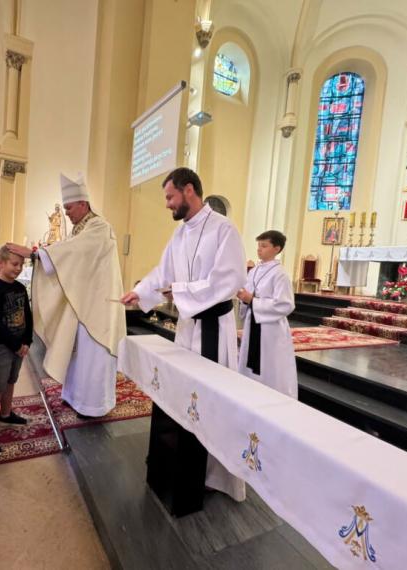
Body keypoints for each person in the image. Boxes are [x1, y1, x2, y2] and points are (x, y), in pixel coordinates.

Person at [120, 167, 247, 502]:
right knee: (185, 397)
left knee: (213, 401)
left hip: (213, 329)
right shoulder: (179, 235)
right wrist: (140, 292)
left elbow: (229, 280)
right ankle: (184, 464)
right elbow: (163, 273)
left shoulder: (223, 229)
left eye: (170, 196)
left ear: (188, 190)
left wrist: (179, 291)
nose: (167, 204)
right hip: (188, 328)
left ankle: (215, 474)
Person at [8, 173, 125, 418]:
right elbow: (71, 258)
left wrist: (35, 254)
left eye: (69, 208)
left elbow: (74, 252)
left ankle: (94, 405)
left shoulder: (99, 227)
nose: (67, 214)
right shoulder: (80, 229)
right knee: (78, 355)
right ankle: (75, 396)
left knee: (92, 355)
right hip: (83, 301)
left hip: (97, 305)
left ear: (83, 203)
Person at [0, 246, 33, 457]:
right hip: (0, 346)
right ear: (0, 263)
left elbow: (27, 314)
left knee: (11, 381)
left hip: (18, 345)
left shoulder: (20, 287)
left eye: (21, 265)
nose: (18, 268)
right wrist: (16, 345)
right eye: (14, 264)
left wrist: (27, 340)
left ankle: (6, 414)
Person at [237, 231, 298, 398]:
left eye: (264, 246)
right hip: (253, 322)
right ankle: (249, 393)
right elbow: (248, 294)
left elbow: (285, 304)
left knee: (268, 364)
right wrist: (243, 298)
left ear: (277, 249)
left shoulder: (280, 274)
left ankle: (272, 396)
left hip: (270, 329)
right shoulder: (254, 271)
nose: (259, 249)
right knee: (250, 360)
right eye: (258, 245)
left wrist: (252, 300)